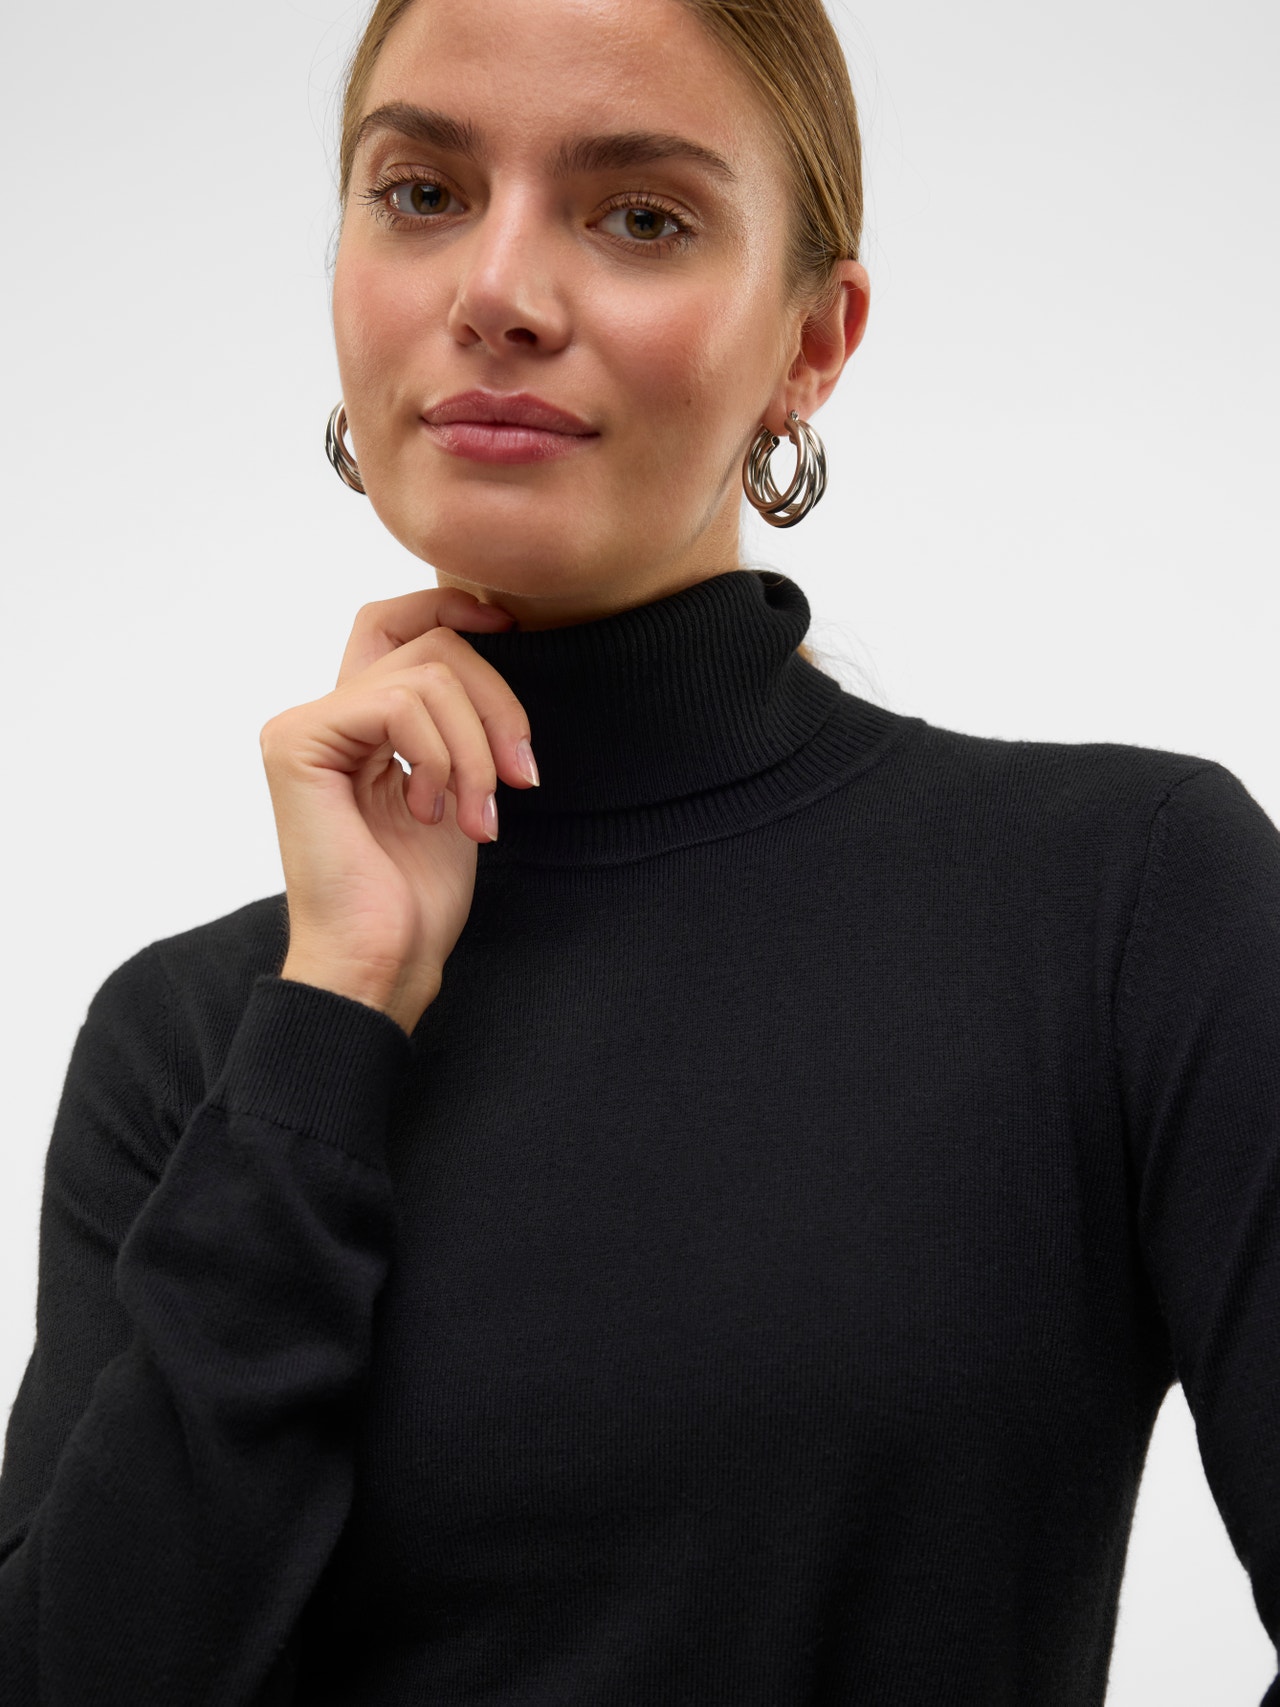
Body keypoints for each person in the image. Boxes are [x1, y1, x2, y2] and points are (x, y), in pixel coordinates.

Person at [1, 0, 1277, 1701]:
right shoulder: (201, 1043)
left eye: (642, 217)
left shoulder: (1128, 906)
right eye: (421, 193)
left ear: (811, 342)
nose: (497, 292)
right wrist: (337, 1009)